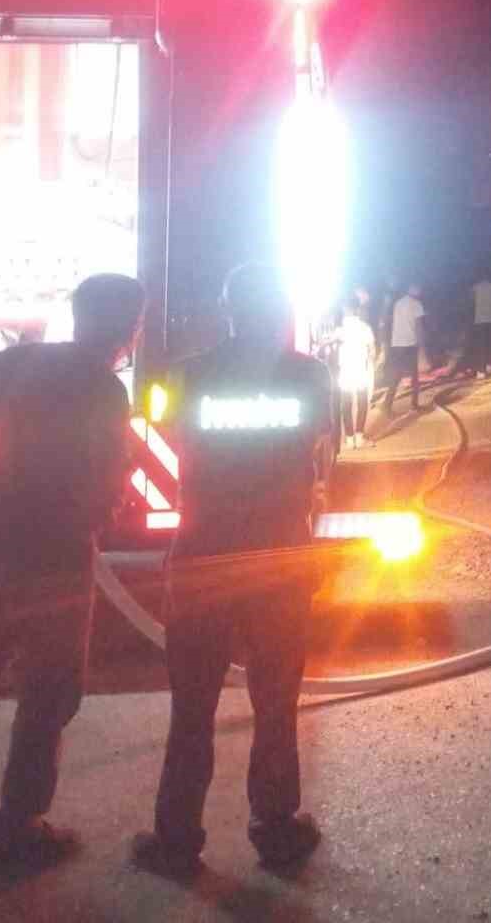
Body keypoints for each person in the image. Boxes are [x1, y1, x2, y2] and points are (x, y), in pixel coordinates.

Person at [133, 263, 334, 878]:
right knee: (276, 700)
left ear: (227, 311)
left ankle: (175, 839)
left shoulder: (192, 376)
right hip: (277, 561)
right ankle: (274, 829)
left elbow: (169, 428)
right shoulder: (309, 377)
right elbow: (321, 451)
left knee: (191, 707)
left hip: (202, 560)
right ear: (278, 312)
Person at [0, 273, 144, 872]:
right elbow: (108, 482)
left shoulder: (18, 362)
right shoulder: (104, 391)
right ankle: (18, 831)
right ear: (128, 327)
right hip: (56, 559)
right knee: (48, 692)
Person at [335, 293, 376, 449]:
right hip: (361, 371)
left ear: (344, 308)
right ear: (357, 308)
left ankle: (350, 438)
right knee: (362, 403)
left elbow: (328, 343)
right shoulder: (365, 328)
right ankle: (359, 437)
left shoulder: (340, 330)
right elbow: (372, 351)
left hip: (345, 370)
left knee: (346, 404)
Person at [383, 281, 426, 414]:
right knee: (414, 376)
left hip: (397, 343)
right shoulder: (417, 304)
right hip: (410, 343)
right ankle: (414, 405)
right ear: (414, 288)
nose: (420, 291)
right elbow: (418, 326)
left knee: (396, 375)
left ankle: (387, 404)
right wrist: (422, 344)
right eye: (418, 288)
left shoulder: (398, 303)